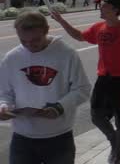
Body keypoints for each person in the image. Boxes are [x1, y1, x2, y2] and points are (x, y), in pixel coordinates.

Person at [51, 0, 120, 164]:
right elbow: (79, 36)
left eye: (104, 6)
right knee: (96, 116)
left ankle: (119, 155)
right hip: (103, 79)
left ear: (114, 9)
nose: (100, 8)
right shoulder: (99, 27)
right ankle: (114, 140)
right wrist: (61, 21)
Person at [0, 11, 91, 164]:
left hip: (59, 137)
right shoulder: (12, 58)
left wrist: (59, 107)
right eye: (23, 41)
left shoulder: (66, 54)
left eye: (35, 40)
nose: (29, 45)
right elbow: (5, 92)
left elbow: (82, 89)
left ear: (47, 30)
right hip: (22, 137)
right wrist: (4, 106)